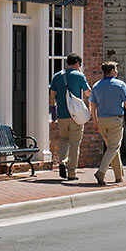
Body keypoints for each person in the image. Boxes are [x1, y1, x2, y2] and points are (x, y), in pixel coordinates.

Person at [89, 61, 126, 186]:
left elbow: (92, 105)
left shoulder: (96, 85)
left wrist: (95, 121)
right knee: (113, 147)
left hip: (101, 120)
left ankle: (118, 176)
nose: (117, 71)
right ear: (111, 71)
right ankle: (101, 172)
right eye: (116, 69)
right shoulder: (120, 84)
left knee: (112, 148)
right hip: (115, 119)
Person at [48, 53, 90, 181]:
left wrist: (53, 112)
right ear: (77, 63)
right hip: (75, 115)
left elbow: (51, 97)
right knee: (75, 143)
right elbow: (88, 93)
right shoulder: (79, 76)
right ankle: (71, 172)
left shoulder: (57, 76)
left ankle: (61, 162)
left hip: (61, 114)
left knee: (64, 140)